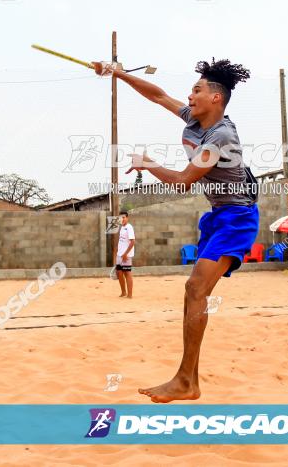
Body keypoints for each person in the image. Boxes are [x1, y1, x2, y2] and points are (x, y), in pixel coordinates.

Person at [93, 57, 258, 403]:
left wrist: (147, 163)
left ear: (216, 98)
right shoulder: (194, 119)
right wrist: (117, 73)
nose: (190, 95)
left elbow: (183, 181)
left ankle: (186, 380)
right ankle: (189, 381)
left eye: (196, 90)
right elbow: (157, 95)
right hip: (216, 215)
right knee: (193, 292)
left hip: (238, 217)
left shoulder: (221, 135)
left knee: (196, 287)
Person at [115, 211, 136, 298]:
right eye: (120, 218)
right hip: (119, 255)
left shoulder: (129, 227)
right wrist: (118, 253)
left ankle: (130, 295)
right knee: (119, 272)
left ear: (127, 218)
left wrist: (125, 254)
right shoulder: (122, 228)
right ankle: (123, 292)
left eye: (123, 217)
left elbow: (133, 241)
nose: (122, 219)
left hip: (126, 256)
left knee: (127, 273)